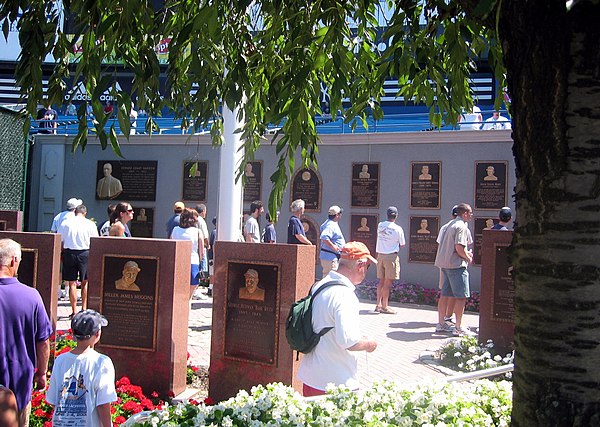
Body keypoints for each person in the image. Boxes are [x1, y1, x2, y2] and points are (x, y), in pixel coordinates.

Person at [297, 241, 378, 396]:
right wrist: (369, 344)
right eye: (367, 267)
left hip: (311, 377)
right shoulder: (345, 295)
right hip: (337, 383)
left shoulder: (320, 285)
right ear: (360, 265)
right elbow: (348, 341)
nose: (366, 271)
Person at [0, 239, 52, 427]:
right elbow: (43, 341)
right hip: (19, 381)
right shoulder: (31, 296)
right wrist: (42, 373)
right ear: (14, 261)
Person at [46, 309, 117, 427]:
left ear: (73, 334)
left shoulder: (60, 361)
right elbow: (103, 404)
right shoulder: (102, 362)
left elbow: (54, 400)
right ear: (97, 334)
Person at [434, 203, 475, 337]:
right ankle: (458, 327)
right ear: (464, 214)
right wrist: (468, 257)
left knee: (445, 295)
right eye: (470, 212)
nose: (471, 215)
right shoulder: (461, 226)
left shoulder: (448, 225)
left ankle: (441, 324)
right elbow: (459, 247)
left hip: (444, 265)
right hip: (456, 266)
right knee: (461, 297)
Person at [60, 205, 99, 317]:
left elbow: (61, 240)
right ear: (85, 213)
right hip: (85, 253)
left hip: (70, 253)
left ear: (75, 212)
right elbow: (94, 241)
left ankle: (74, 311)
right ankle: (84, 308)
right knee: (85, 282)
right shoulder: (90, 224)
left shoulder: (66, 223)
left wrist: (61, 254)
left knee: (72, 283)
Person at [374, 207, 406, 314]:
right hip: (391, 257)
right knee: (388, 283)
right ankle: (385, 306)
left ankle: (378, 304)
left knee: (381, 282)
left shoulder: (380, 225)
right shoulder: (398, 229)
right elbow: (402, 244)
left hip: (380, 256)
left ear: (387, 215)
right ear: (396, 216)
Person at [170, 208, 205, 299]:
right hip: (192, 262)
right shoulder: (197, 232)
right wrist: (202, 262)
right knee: (188, 297)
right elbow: (202, 252)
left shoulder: (175, 230)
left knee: (177, 294)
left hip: (178, 262)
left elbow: (170, 245)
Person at [319, 205, 345, 277]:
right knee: (330, 278)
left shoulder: (328, 223)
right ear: (337, 215)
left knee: (328, 277)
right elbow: (324, 237)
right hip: (330, 257)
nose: (341, 215)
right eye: (340, 213)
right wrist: (333, 247)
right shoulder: (331, 225)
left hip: (329, 256)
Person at [194, 204, 210, 274]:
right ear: (203, 211)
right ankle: (203, 281)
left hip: (194, 245)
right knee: (203, 267)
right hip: (201, 245)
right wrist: (207, 245)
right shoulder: (201, 221)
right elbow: (205, 236)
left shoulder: (193, 219)